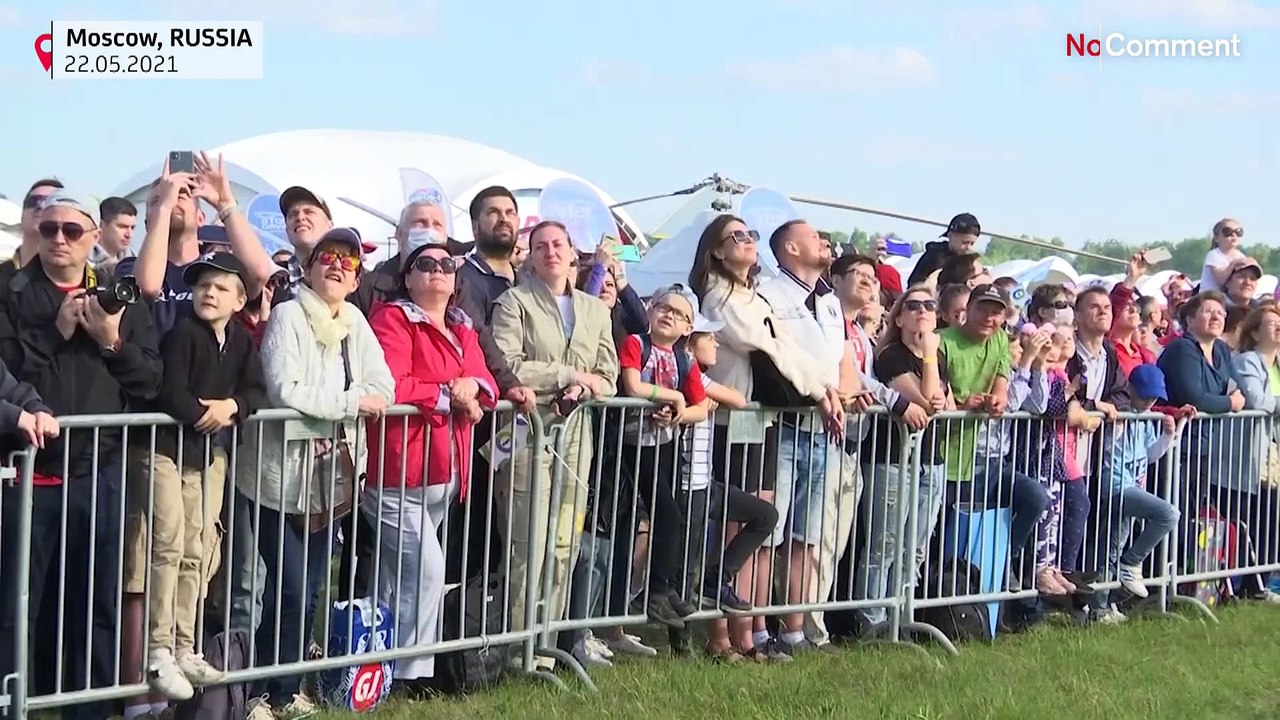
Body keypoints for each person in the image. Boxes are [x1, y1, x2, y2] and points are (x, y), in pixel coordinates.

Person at [0, 191, 162, 720]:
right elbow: (10, 376)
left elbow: (151, 381)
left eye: (73, 230)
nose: (60, 240)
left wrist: (110, 340)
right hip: (28, 471)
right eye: (49, 229)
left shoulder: (119, 294)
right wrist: (57, 333)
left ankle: (87, 707)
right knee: (19, 603)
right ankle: (16, 701)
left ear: (95, 236)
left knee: (95, 601)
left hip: (101, 470)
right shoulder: (11, 291)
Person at [237, 228, 394, 718]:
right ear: (309, 268)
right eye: (328, 257)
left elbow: (383, 385)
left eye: (348, 262)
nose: (338, 266)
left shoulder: (356, 321)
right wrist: (350, 403)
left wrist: (350, 404)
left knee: (309, 590)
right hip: (275, 477)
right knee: (288, 585)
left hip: (331, 480)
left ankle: (286, 688)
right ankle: (266, 690)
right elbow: (287, 389)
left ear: (355, 278)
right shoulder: (287, 314)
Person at [687, 214, 844, 663]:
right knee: (732, 531)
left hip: (760, 422)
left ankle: (748, 634)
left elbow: (789, 348)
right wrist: (819, 391)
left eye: (750, 234)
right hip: (728, 424)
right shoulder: (719, 297)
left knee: (758, 529)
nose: (748, 241)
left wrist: (825, 389)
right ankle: (721, 636)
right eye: (737, 236)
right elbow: (767, 346)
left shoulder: (751, 295)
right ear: (716, 251)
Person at [128, 253, 267, 701]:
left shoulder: (242, 340)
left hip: (206, 457)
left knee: (196, 548)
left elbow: (255, 390)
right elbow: (169, 391)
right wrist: (203, 414)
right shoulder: (183, 332)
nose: (209, 292)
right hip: (163, 450)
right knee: (166, 545)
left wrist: (233, 408)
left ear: (240, 299)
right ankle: (158, 649)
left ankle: (185, 646)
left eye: (221, 287)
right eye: (203, 285)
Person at [365, 232, 497, 687]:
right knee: (426, 571)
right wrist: (450, 395)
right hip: (398, 471)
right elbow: (392, 384)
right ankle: (412, 672)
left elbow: (485, 379)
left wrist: (474, 389)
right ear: (407, 276)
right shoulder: (392, 320)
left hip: (446, 472)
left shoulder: (462, 324)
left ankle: (376, 663)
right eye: (426, 265)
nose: (438, 270)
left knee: (396, 576)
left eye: (446, 265)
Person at [489, 220, 618, 658]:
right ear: (530, 255)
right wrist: (566, 375)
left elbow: (609, 373)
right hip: (527, 434)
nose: (550, 252)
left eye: (558, 244)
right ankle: (516, 645)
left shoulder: (596, 310)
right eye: (540, 245)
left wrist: (587, 386)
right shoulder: (513, 303)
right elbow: (507, 364)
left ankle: (545, 645)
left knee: (564, 543)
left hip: (577, 435)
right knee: (529, 543)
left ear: (572, 252)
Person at [854, 284, 951, 633]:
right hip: (892, 460)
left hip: (931, 460)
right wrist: (927, 356)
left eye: (929, 305)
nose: (922, 310)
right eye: (913, 305)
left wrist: (933, 364)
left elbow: (946, 405)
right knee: (885, 544)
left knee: (917, 548)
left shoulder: (938, 354)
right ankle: (873, 622)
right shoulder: (892, 355)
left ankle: (903, 618)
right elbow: (925, 400)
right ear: (899, 315)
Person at [616, 286, 711, 626]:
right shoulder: (636, 344)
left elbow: (701, 408)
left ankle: (662, 588)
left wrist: (677, 414)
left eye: (678, 313)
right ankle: (656, 592)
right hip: (631, 444)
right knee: (666, 517)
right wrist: (674, 396)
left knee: (669, 517)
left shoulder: (685, 359)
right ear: (651, 310)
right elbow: (633, 386)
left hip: (664, 443)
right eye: (662, 308)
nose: (668, 315)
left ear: (688, 327)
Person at [1092, 364, 1180, 622]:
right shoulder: (1120, 415)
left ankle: (1104, 605)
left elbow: (1150, 456)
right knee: (1168, 514)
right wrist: (1116, 433)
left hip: (1134, 487)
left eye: (1154, 396)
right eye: (1145, 395)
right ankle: (1129, 566)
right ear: (1131, 389)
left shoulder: (1149, 418)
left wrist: (1166, 437)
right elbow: (1107, 449)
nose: (1150, 401)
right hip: (1117, 488)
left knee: (1114, 545)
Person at [907, 212, 981, 286]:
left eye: (972, 243)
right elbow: (913, 284)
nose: (968, 247)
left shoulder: (970, 261)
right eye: (964, 242)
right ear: (950, 236)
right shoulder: (934, 257)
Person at [1198, 218, 1246, 293]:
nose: (1234, 235)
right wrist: (1233, 264)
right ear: (1217, 238)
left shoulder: (1241, 256)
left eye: (1238, 232)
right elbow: (1220, 281)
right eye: (1228, 232)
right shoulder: (1213, 255)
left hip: (1230, 296)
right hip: (1210, 296)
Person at [91, 196, 138, 270]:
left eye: (132, 228)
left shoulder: (136, 261)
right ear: (101, 225)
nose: (129, 235)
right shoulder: (82, 258)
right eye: (122, 226)